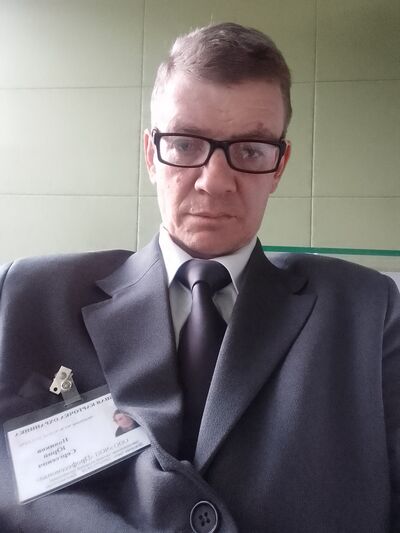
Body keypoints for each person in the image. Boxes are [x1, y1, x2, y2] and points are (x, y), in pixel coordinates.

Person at [0, 22, 399, 533]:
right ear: (151, 154)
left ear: (279, 166)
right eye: (186, 144)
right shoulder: (26, 297)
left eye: (251, 150)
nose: (214, 182)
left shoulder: (369, 311)